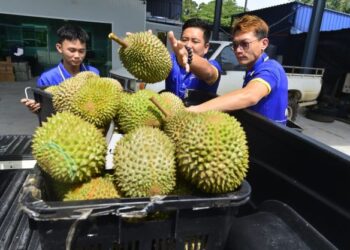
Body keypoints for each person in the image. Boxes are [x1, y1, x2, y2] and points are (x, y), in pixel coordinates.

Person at [186, 15, 288, 125]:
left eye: (245, 44)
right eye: (235, 45)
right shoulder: (252, 70)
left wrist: (195, 110)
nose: (238, 50)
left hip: (271, 139)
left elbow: (249, 95)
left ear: (264, 43)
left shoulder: (271, 68)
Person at [21, 23, 99, 112]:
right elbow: (45, 112)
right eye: (72, 50)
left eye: (81, 51)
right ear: (59, 48)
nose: (77, 56)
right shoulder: (47, 79)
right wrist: (36, 107)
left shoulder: (94, 72)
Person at [166, 18, 221, 100]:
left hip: (199, 112)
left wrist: (188, 56)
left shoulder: (212, 65)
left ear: (206, 47)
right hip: (168, 111)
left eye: (195, 41)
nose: (188, 45)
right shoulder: (171, 60)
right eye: (184, 40)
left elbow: (209, 72)